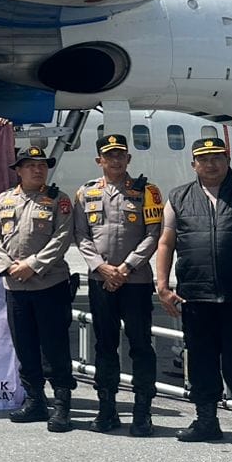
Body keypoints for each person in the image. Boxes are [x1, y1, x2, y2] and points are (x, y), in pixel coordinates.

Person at [154, 136, 232, 450]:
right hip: (196, 296)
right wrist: (162, 285)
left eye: (217, 157)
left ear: (228, 161)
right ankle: (206, 421)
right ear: (194, 164)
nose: (211, 164)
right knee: (201, 362)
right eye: (204, 159)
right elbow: (166, 242)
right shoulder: (178, 197)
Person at [72, 134, 163, 435]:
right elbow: (81, 235)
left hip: (135, 281)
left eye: (120, 154)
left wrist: (125, 268)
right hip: (101, 280)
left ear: (128, 158)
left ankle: (142, 412)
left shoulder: (147, 191)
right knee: (105, 345)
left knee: (141, 345)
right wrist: (101, 267)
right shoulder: (85, 193)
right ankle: (107, 409)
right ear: (99, 160)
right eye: (109, 155)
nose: (115, 160)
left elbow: (153, 234)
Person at [0, 145, 76, 432]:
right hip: (15, 286)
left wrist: (33, 265)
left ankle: (61, 406)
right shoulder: (3, 200)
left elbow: (62, 237)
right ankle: (35, 401)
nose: (38, 170)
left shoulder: (59, 200)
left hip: (49, 284)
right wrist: (8, 266)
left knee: (54, 346)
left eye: (42, 165)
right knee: (24, 346)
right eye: (30, 165)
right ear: (18, 171)